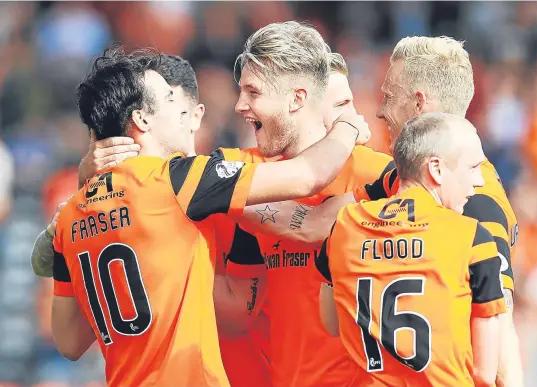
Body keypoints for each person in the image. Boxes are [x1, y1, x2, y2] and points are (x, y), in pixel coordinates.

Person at [30, 50, 366, 387]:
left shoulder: (69, 214)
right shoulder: (174, 180)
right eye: (167, 97)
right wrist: (348, 122)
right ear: (142, 120)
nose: (183, 109)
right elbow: (311, 173)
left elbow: (69, 342)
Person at [227, 35, 523, 387]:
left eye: (389, 96)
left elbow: (502, 341)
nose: (379, 111)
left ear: (418, 104)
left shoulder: (478, 205)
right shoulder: (403, 181)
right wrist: (224, 193)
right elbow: (313, 222)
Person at [316, 112, 506, 387]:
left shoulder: (345, 226)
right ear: (436, 169)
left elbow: (332, 324)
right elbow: (485, 374)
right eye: (473, 167)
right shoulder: (473, 238)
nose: (478, 181)